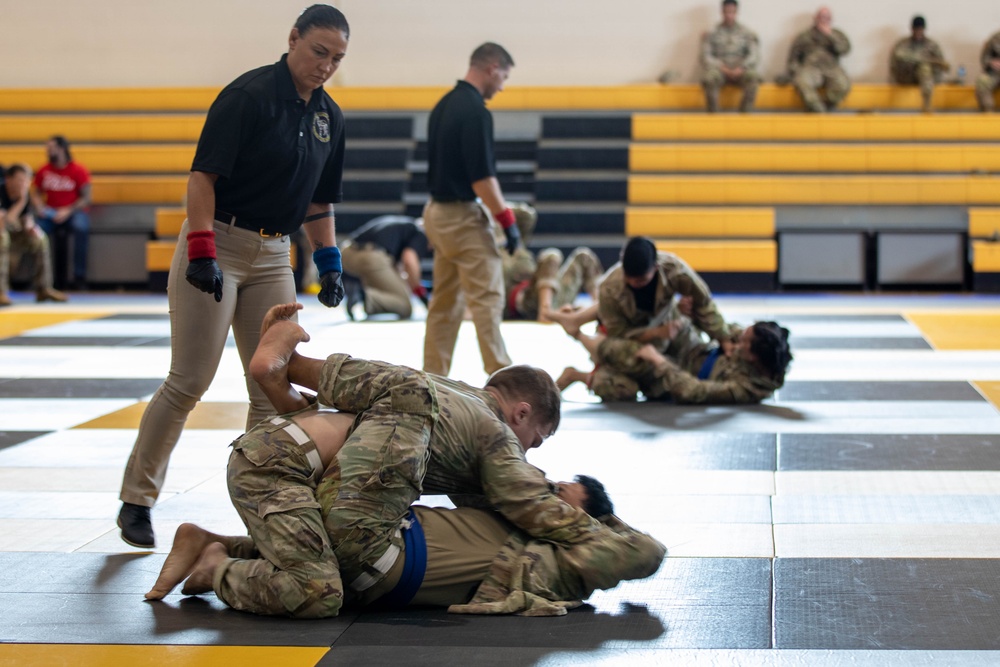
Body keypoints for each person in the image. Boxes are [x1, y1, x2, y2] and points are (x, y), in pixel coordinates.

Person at [145, 303, 663, 617]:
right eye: (537, 441)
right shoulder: (490, 434)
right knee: (321, 591)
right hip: (278, 466)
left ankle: (288, 376)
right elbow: (530, 507)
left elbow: (486, 498)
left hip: (281, 451)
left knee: (410, 395)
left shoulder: (455, 400)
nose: (530, 456)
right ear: (522, 413)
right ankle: (218, 569)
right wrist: (594, 526)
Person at [116, 4, 350, 550]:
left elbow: (320, 200)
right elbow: (202, 179)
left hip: (275, 254)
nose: (325, 66)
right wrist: (200, 251)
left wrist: (330, 261)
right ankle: (137, 498)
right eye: (319, 52)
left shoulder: (329, 117)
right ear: (292, 39)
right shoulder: (246, 97)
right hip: (218, 239)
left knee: (270, 383)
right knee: (189, 380)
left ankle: (263, 506)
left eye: (337, 59)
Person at [423, 43, 520, 377]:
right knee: (487, 299)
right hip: (462, 218)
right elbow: (482, 179)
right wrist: (507, 221)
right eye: (504, 76)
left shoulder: (443, 105)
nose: (503, 86)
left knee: (444, 306)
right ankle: (504, 381)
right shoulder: (476, 111)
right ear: (493, 67)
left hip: (436, 213)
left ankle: (432, 380)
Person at [556, 305, 793, 404]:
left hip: (676, 375)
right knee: (668, 315)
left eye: (744, 342)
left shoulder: (746, 388)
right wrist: (695, 314)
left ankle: (578, 337)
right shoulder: (758, 347)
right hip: (693, 350)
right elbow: (727, 330)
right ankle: (591, 319)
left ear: (753, 356)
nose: (739, 340)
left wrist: (658, 361)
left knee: (631, 366)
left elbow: (695, 391)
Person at [339, 214, 431, 320]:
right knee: (404, 305)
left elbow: (398, 270)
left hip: (347, 253)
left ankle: (365, 298)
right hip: (371, 257)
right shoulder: (420, 233)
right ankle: (362, 296)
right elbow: (409, 262)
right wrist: (421, 294)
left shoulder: (403, 225)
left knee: (390, 291)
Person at [0, 164, 67, 306]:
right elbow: (6, 221)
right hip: (3, 234)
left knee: (40, 239)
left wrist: (31, 228)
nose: (23, 184)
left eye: (26, 180)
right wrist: (21, 201)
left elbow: (26, 220)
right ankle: (1, 291)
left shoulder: (26, 196)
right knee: (2, 238)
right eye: (19, 180)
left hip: (15, 235)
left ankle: (44, 288)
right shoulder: (4, 194)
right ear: (8, 179)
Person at [31, 136, 91, 291]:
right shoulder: (44, 170)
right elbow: (35, 193)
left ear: (62, 149)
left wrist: (68, 210)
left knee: (81, 228)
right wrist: (39, 207)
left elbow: (86, 198)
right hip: (50, 213)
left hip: (72, 211)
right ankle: (38, 278)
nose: (48, 151)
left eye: (51, 148)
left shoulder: (78, 170)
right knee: (34, 232)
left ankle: (79, 276)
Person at [505, 246, 603, 322]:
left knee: (583, 256)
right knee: (552, 256)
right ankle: (545, 313)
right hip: (529, 301)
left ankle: (602, 309)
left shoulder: (518, 250)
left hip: (551, 292)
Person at [784, 7, 852, 112]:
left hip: (831, 68)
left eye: (826, 17)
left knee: (843, 85)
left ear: (830, 19)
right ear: (815, 18)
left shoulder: (837, 34)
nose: (823, 19)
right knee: (802, 82)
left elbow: (845, 49)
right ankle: (816, 108)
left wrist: (830, 36)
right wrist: (794, 71)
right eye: (821, 16)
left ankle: (825, 107)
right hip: (811, 68)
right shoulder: (804, 36)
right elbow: (793, 57)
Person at [699, 0, 761, 113]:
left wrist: (742, 68)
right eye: (726, 12)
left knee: (753, 78)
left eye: (732, 12)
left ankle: (744, 116)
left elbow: (754, 55)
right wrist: (722, 68)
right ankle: (714, 116)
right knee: (709, 78)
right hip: (719, 70)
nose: (729, 15)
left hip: (741, 70)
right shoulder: (712, 32)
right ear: (722, 12)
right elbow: (705, 56)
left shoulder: (746, 32)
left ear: (737, 12)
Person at [890, 16, 949, 113]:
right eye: (916, 29)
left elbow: (943, 65)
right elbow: (898, 57)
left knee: (924, 68)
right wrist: (926, 60)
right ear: (912, 29)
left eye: (920, 29)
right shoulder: (903, 44)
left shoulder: (932, 45)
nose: (918, 32)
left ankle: (927, 104)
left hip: (926, 79)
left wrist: (933, 64)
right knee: (923, 65)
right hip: (906, 77)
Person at [975, 29, 1000, 112]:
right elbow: (984, 59)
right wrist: (991, 62)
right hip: (994, 74)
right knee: (982, 80)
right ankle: (988, 112)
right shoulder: (995, 38)